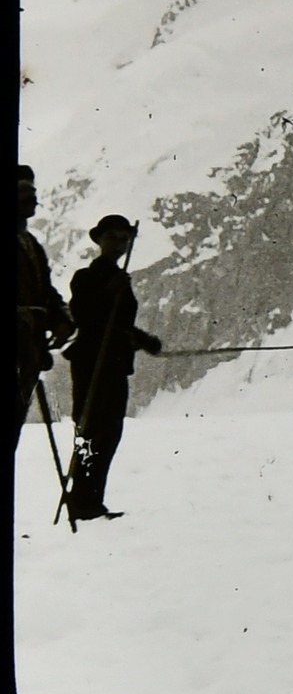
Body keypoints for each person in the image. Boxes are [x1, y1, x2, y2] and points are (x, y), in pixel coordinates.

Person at [62, 214, 162, 521]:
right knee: (91, 428)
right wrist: (109, 292)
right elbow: (84, 316)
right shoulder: (85, 277)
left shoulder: (121, 281)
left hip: (114, 363)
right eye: (112, 238)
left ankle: (92, 500)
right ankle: (81, 501)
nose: (118, 244)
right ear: (99, 240)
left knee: (108, 433)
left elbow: (119, 324)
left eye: (123, 238)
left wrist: (142, 340)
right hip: (92, 363)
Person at [16, 165, 74, 455]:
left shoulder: (31, 245)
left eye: (32, 192)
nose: (31, 199)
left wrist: (62, 319)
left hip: (27, 354)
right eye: (22, 192)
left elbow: (46, 293)